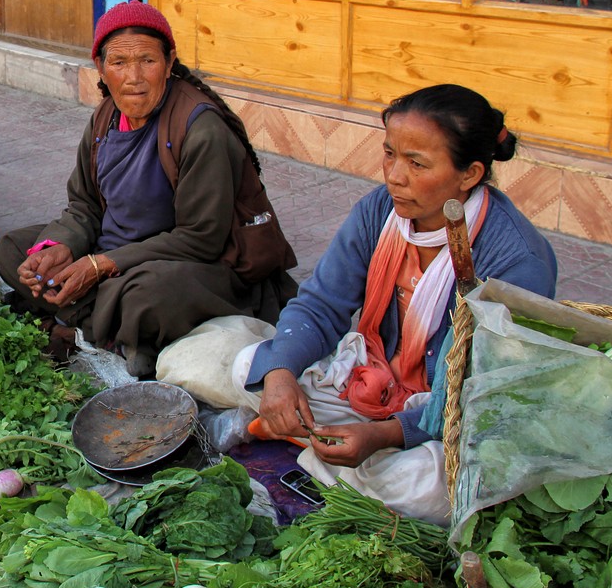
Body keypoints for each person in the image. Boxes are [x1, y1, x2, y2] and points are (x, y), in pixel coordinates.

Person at [234, 85, 556, 523]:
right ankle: (338, 458)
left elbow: (484, 393)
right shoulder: (379, 211)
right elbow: (321, 304)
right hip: (372, 382)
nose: (394, 176)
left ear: (470, 174)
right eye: (390, 154)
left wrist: (385, 435)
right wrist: (279, 376)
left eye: (416, 163)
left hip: (444, 418)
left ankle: (325, 455)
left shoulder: (516, 261)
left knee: (431, 487)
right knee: (254, 366)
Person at [0, 0, 297, 378]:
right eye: (119, 63)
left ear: (169, 64)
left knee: (147, 298)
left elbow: (201, 239)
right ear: (101, 68)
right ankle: (111, 333)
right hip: (113, 256)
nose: (133, 77)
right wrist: (60, 247)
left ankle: (79, 321)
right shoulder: (105, 119)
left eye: (147, 61)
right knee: (13, 250)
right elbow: (84, 205)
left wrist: (100, 265)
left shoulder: (200, 129)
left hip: (191, 265)